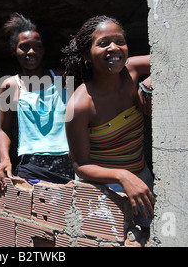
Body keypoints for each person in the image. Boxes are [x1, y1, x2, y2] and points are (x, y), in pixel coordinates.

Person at [62, 15, 154, 230]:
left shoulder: (132, 71)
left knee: (148, 234)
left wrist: (149, 83)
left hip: (141, 177)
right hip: (104, 187)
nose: (114, 48)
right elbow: (81, 166)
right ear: (87, 54)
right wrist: (123, 176)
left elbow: (172, 57)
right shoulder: (79, 105)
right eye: (103, 44)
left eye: (120, 41)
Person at [0, 13, 74, 189]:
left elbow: (79, 116)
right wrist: (5, 159)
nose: (31, 52)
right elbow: (4, 128)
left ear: (44, 49)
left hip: (68, 160)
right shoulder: (10, 85)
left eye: (37, 46)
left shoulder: (62, 78)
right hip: (31, 164)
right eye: (24, 47)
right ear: (15, 51)